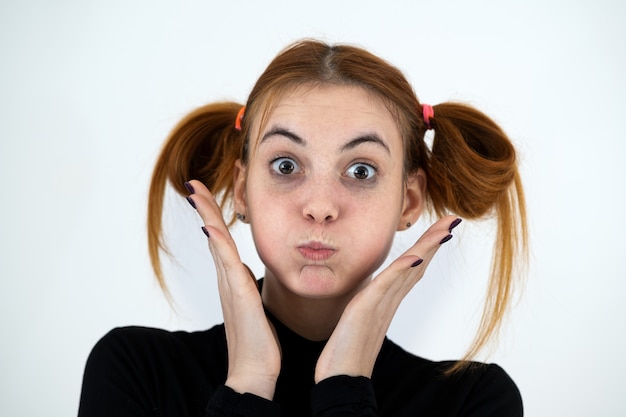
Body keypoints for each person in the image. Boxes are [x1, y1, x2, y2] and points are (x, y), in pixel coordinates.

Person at [78, 39, 527, 416]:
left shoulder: (472, 402)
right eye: (286, 164)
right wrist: (248, 384)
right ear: (241, 190)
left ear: (408, 200)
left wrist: (345, 388)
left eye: (361, 171)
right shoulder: (136, 371)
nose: (319, 207)